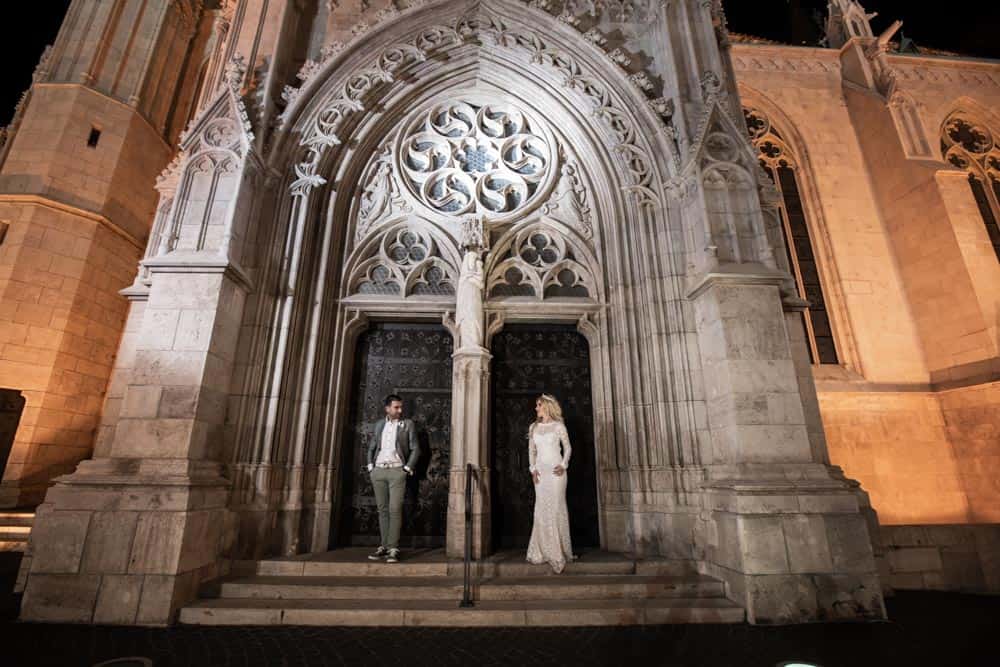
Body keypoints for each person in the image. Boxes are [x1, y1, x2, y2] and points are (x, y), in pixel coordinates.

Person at [366, 394, 420, 563]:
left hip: (397, 471)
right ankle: (384, 546)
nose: (400, 410)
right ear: (387, 408)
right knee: (382, 510)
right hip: (379, 471)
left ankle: (393, 548)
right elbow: (372, 446)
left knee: (394, 509)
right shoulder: (379, 425)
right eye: (396, 407)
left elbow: (416, 449)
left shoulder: (407, 424)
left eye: (401, 407)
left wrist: (406, 468)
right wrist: (370, 467)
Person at [526, 393, 576, 573]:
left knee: (556, 508)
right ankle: (542, 550)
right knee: (541, 508)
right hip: (540, 473)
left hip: (556, 473)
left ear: (546, 406)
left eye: (538, 405)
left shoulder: (558, 426)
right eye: (537, 405)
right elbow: (531, 451)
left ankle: (558, 551)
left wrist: (564, 464)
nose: (536, 408)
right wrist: (532, 469)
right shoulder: (534, 427)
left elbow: (568, 447)